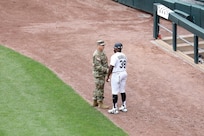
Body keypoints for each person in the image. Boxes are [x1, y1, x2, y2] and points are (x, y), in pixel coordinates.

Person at [106, 42, 128, 114]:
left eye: (114, 48)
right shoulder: (124, 55)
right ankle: (124, 106)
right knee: (122, 90)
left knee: (114, 91)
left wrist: (108, 76)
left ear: (116, 48)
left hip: (117, 74)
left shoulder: (114, 56)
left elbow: (111, 67)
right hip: (124, 73)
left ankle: (115, 108)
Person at [92, 40, 109, 109]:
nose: (103, 46)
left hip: (101, 73)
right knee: (100, 88)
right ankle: (100, 102)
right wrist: (107, 70)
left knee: (97, 87)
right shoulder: (96, 54)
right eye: (102, 45)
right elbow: (98, 66)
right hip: (98, 74)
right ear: (98, 46)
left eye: (104, 45)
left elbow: (105, 62)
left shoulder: (102, 52)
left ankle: (95, 101)